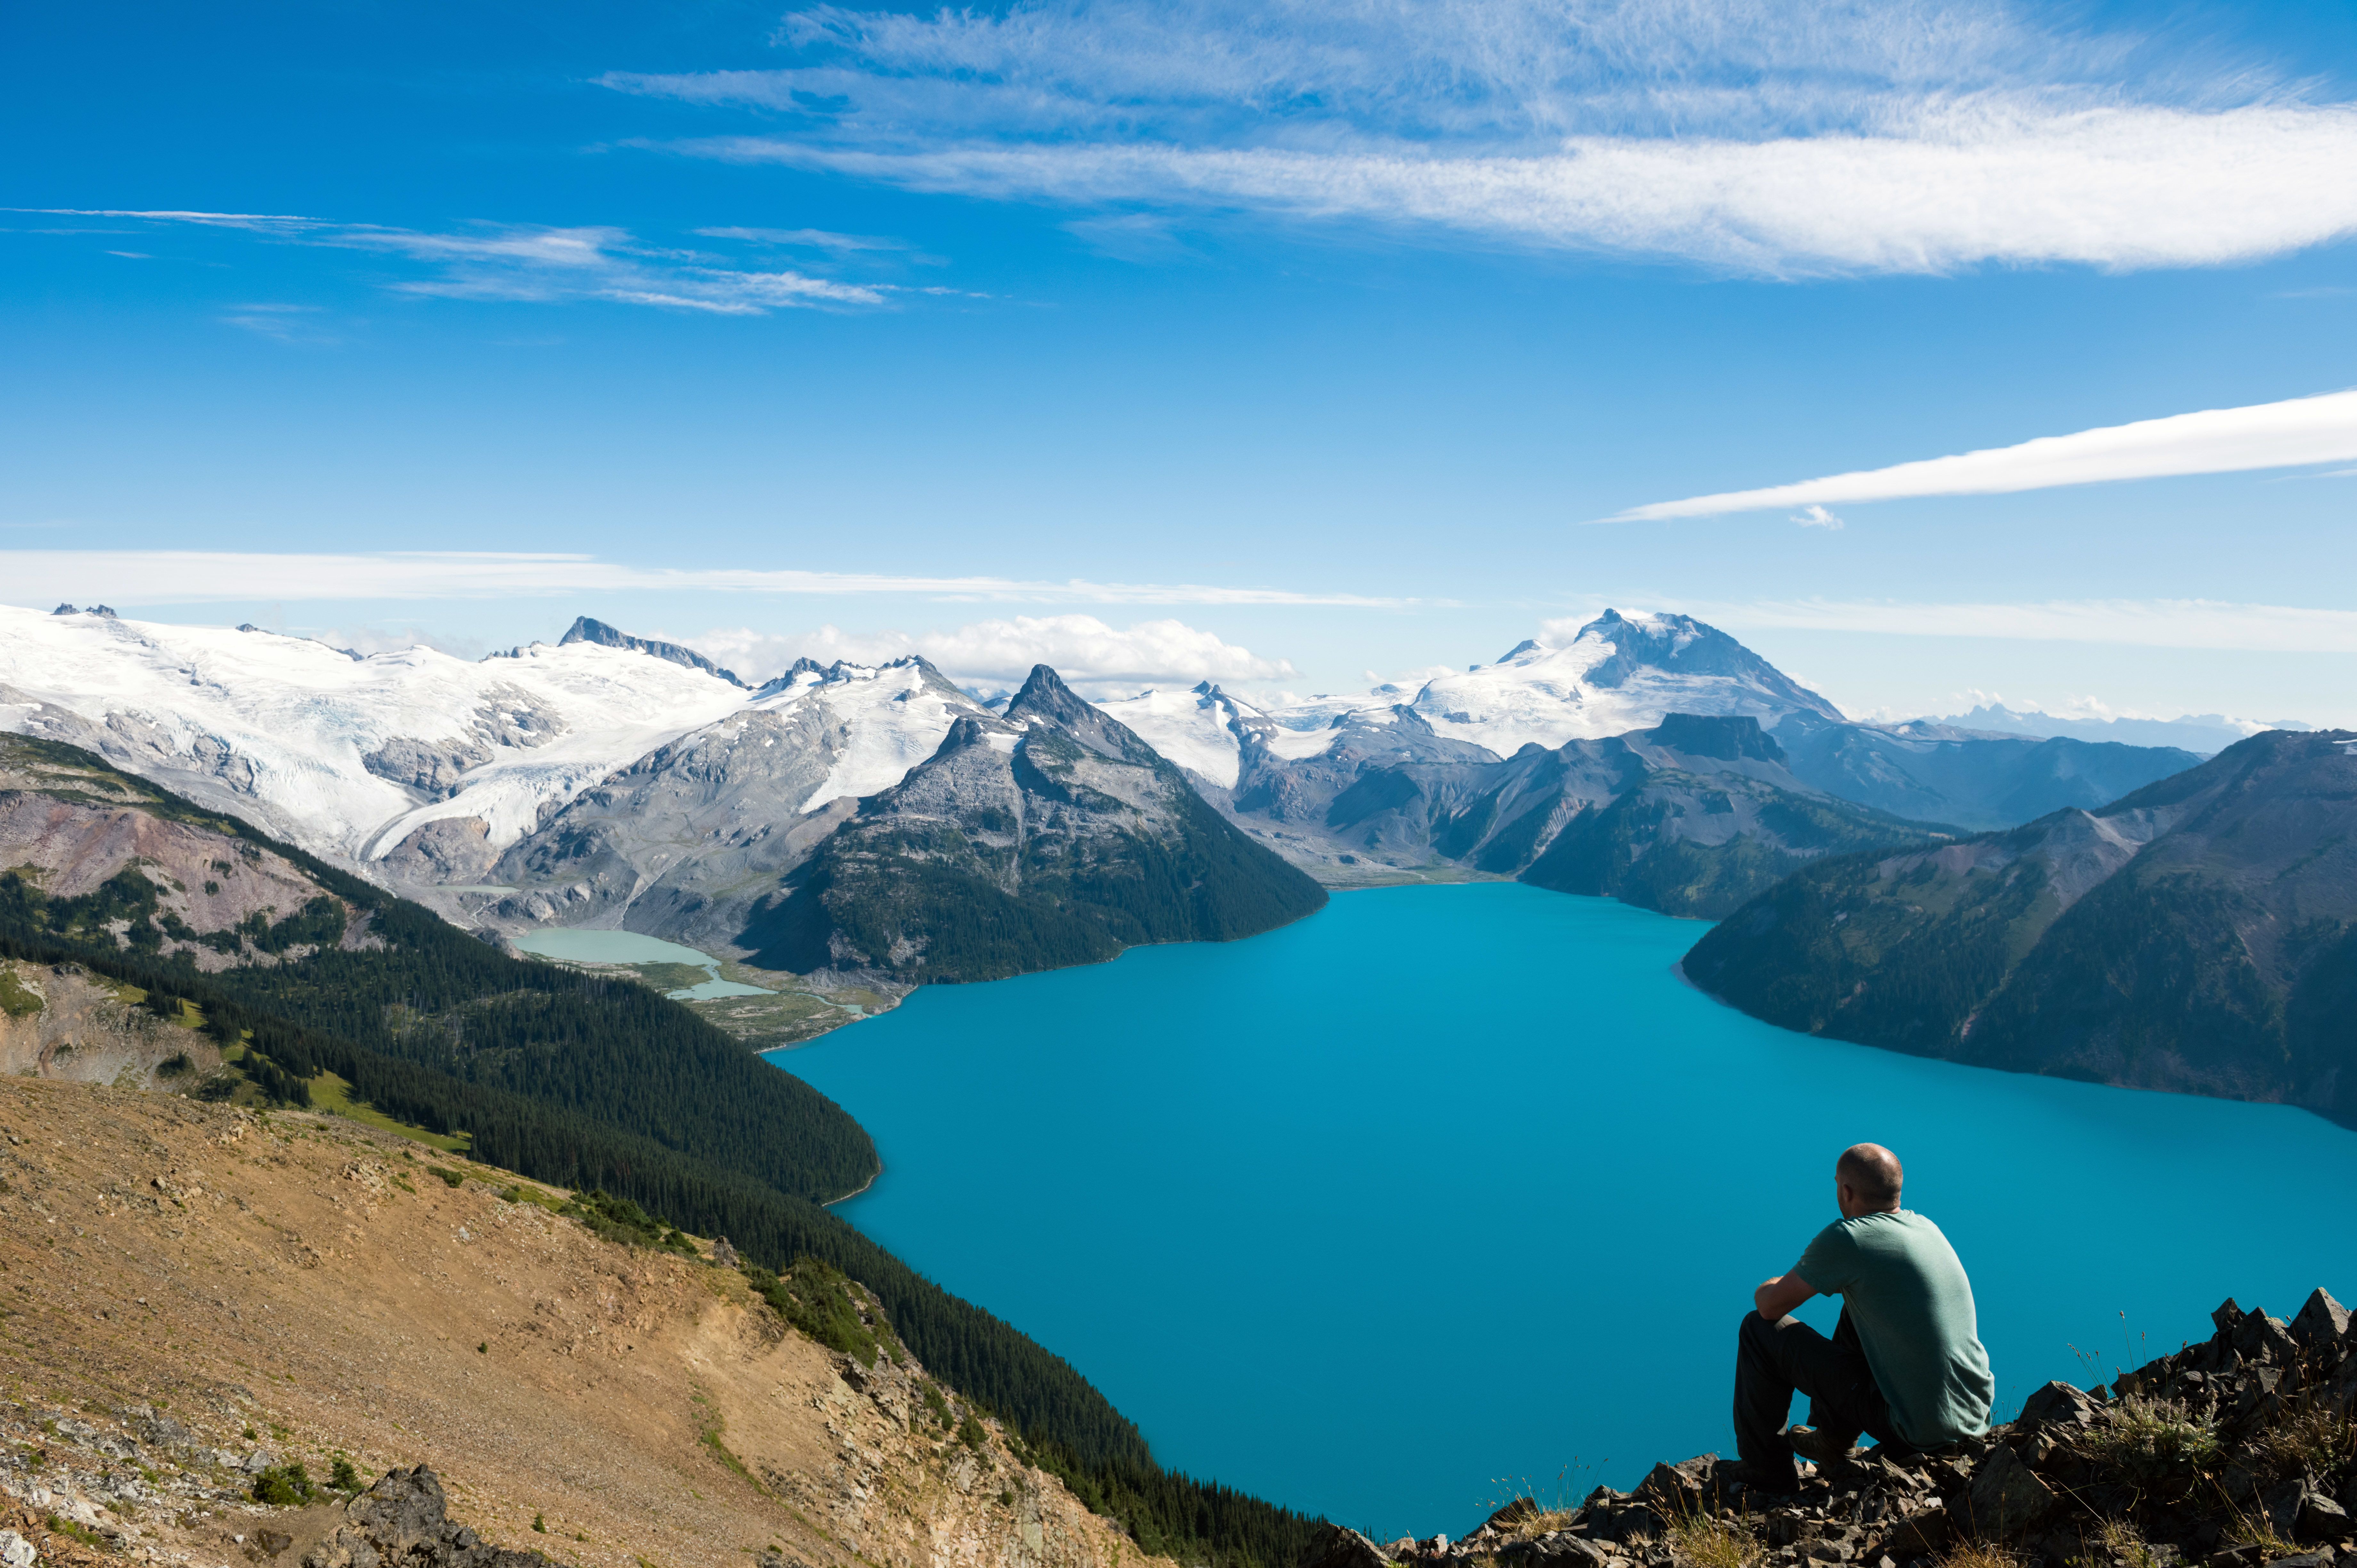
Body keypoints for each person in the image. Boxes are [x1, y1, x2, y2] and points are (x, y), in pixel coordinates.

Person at [1728, 1143, 1994, 1492]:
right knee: (1860, 1307)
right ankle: (1831, 1443)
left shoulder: (1849, 1238)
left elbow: (1770, 1308)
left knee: (1757, 1330)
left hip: (1916, 1429)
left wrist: (1769, 1284)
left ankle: (1767, 1472)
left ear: (1846, 1190)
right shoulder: (1926, 1227)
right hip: (1973, 1418)